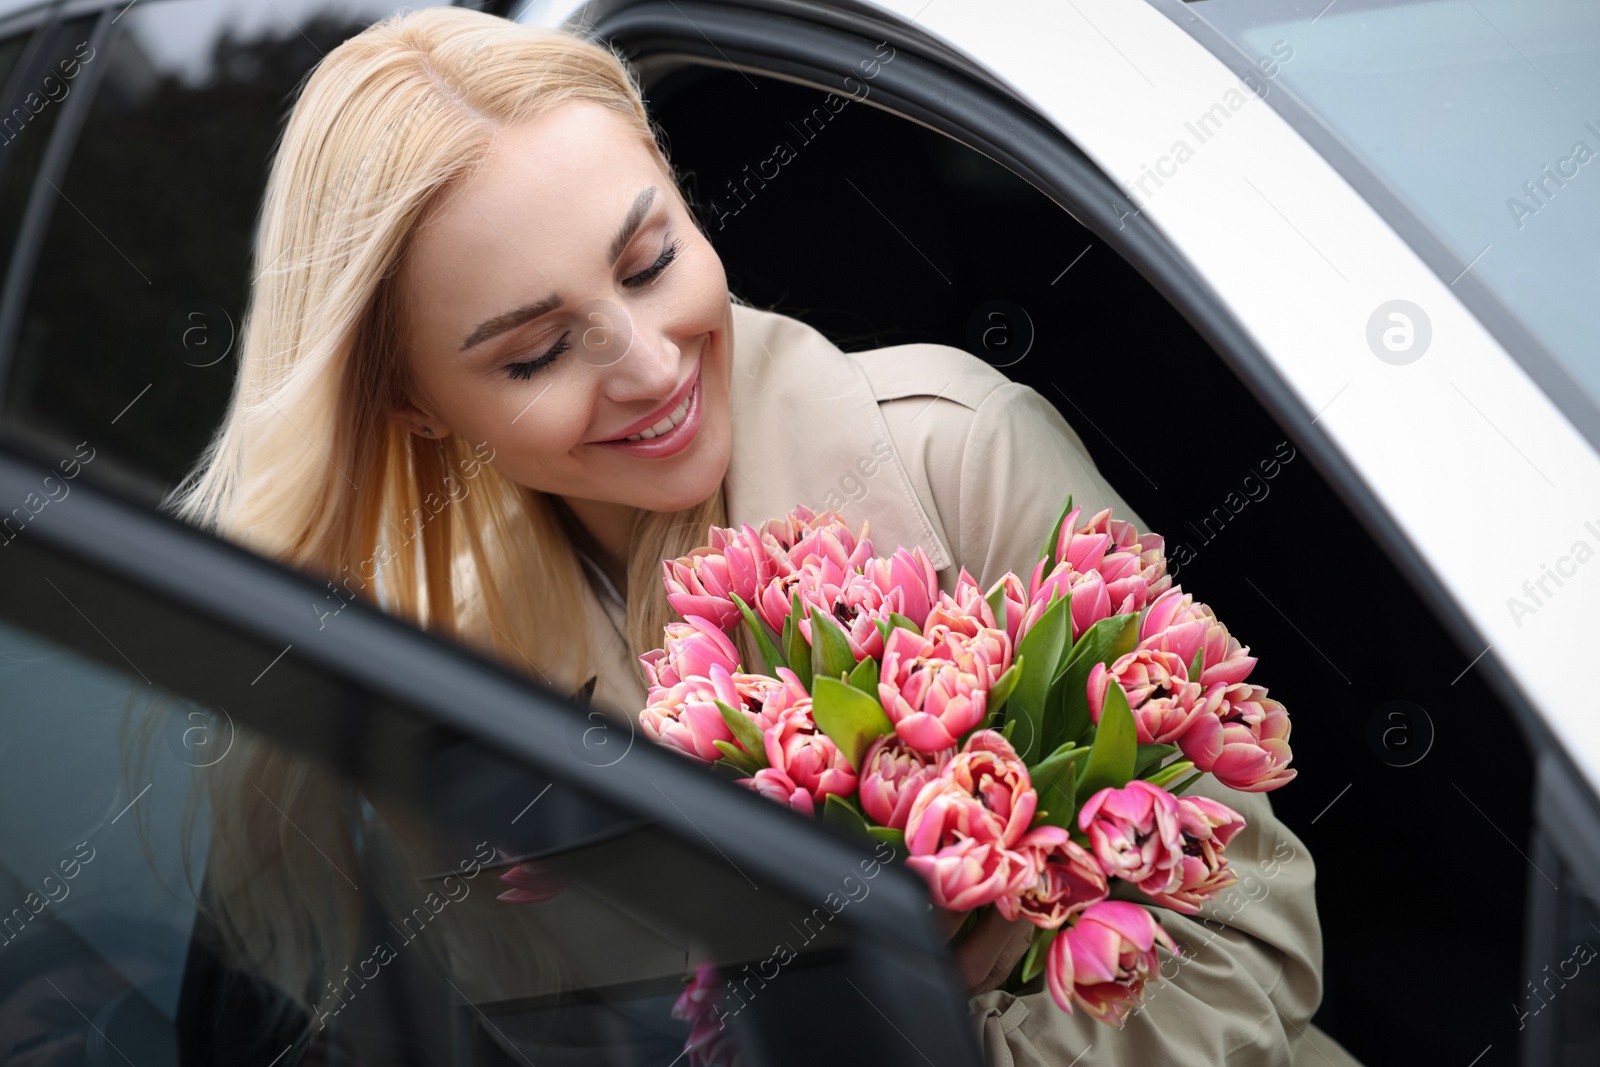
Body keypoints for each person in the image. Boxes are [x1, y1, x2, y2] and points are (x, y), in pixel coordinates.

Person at [166, 7, 1361, 1065]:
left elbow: (1245, 942)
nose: (647, 365)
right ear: (415, 406)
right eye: (534, 352)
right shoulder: (443, 677)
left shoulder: (954, 448)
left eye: (651, 261)